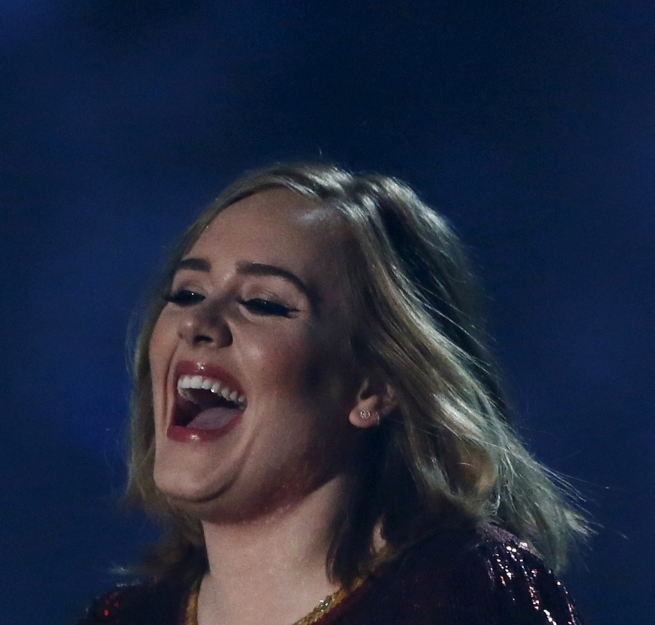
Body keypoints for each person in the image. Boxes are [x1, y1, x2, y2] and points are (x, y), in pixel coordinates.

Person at [78, 164, 589, 625]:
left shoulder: (466, 595)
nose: (198, 323)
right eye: (187, 292)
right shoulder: (123, 619)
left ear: (374, 385)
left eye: (264, 303)